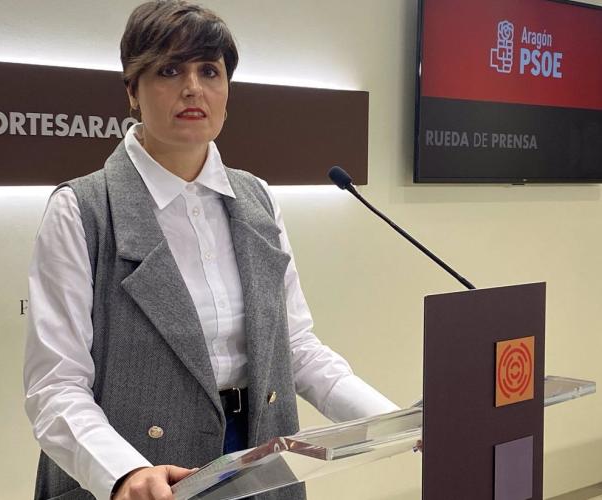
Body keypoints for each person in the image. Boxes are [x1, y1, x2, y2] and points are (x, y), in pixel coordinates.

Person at [23, 2, 399, 500]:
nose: (192, 88)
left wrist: (393, 422)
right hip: (140, 472)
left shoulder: (257, 198)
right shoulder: (82, 209)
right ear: (132, 90)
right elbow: (55, 386)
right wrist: (124, 473)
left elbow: (296, 348)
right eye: (169, 70)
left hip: (260, 459)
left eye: (209, 71)